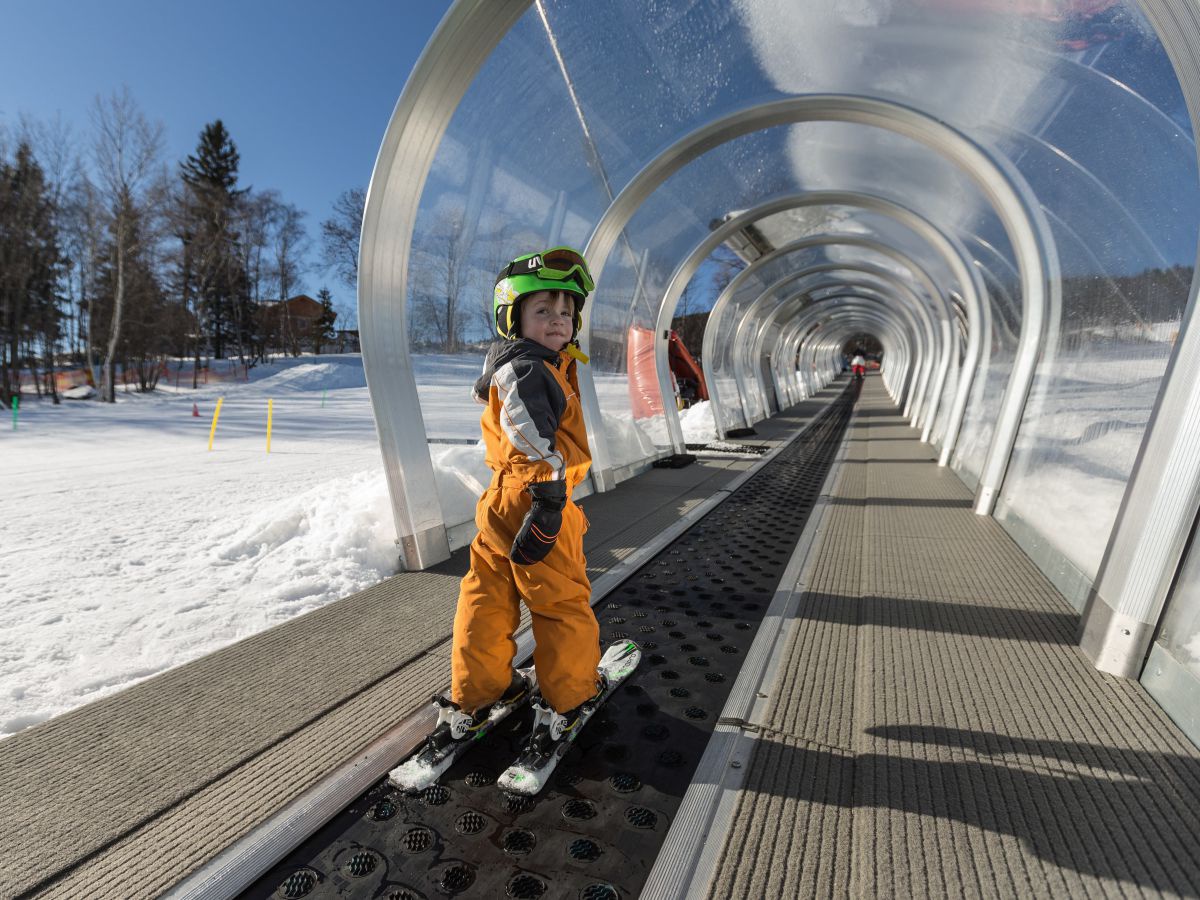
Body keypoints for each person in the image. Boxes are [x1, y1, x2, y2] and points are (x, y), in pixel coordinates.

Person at [433, 246, 602, 757]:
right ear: (513, 317)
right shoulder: (528, 369)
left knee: (488, 599)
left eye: (567, 312)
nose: (558, 321)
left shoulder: (530, 362)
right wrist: (550, 499)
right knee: (560, 602)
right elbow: (529, 434)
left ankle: (478, 694)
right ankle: (569, 699)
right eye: (543, 311)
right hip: (537, 501)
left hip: (502, 504)